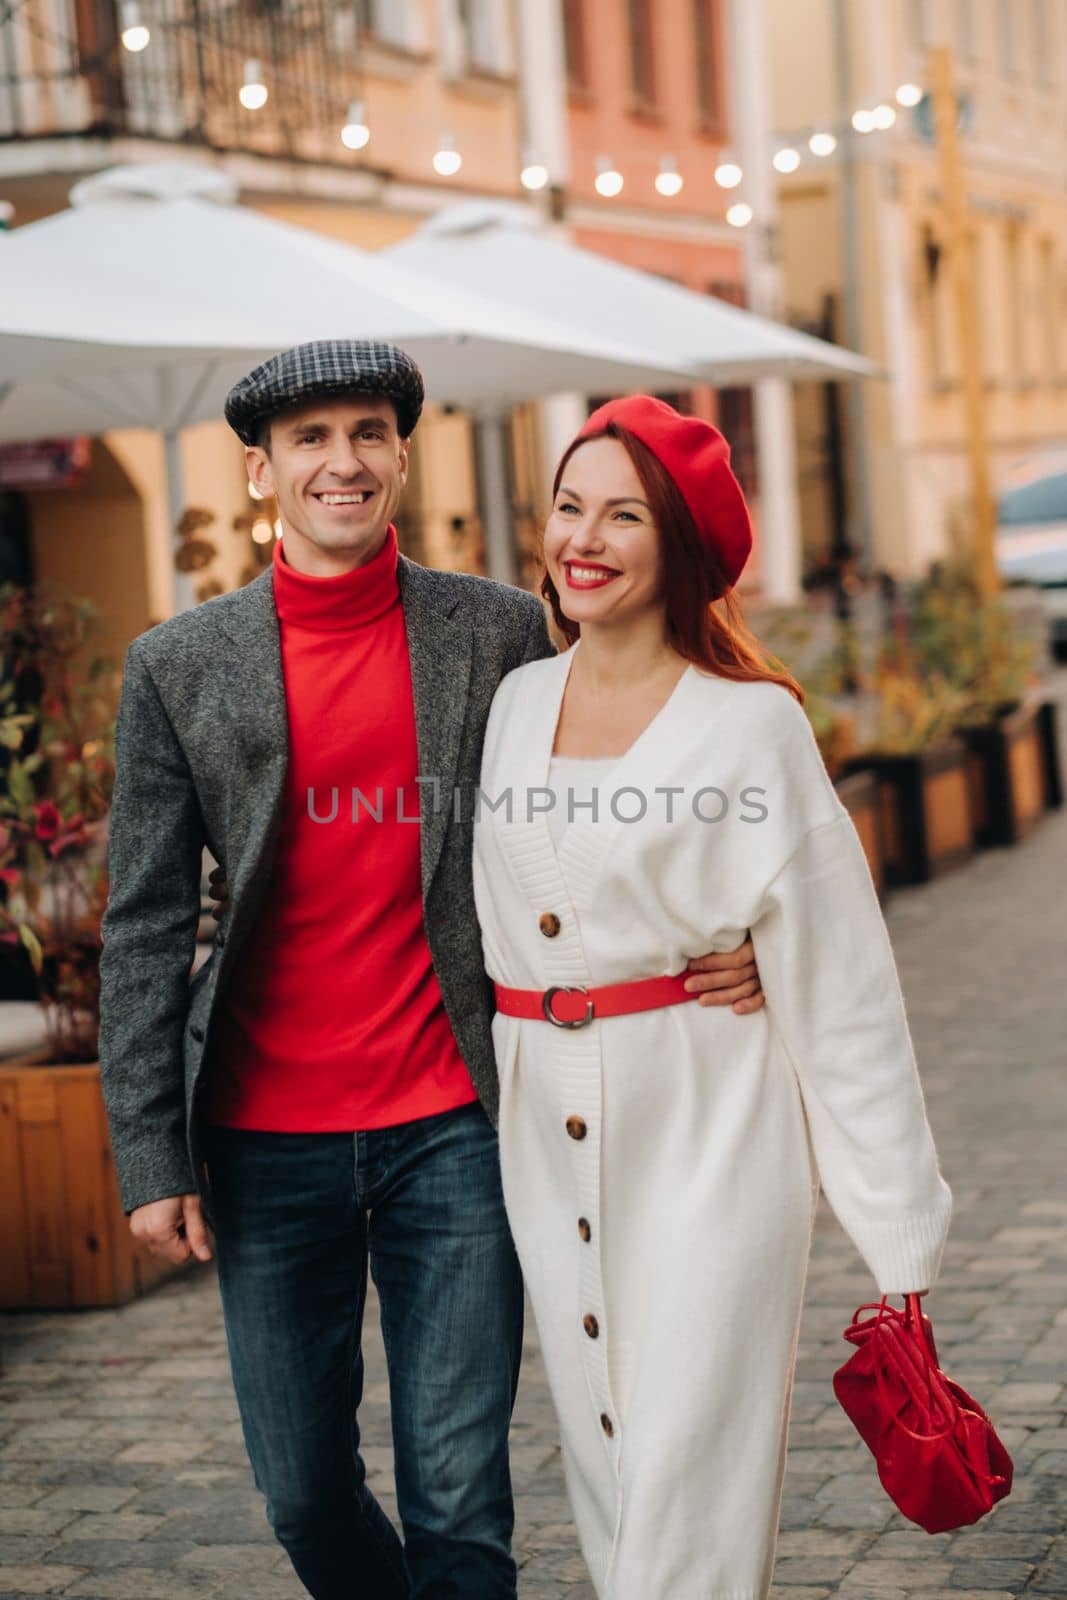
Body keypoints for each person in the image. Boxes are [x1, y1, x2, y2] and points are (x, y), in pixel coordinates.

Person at [96, 342, 768, 1600]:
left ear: (403, 456)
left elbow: (633, 770)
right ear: (262, 469)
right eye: (309, 439)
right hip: (259, 1135)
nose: (340, 460)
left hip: (456, 1123)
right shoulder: (179, 665)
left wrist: (736, 930)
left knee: (460, 1499)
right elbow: (140, 922)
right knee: (300, 1492)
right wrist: (148, 1152)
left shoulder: (502, 628)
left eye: (366, 432)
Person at [471, 395, 953, 1600]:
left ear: (678, 544)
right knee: (605, 1455)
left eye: (622, 514)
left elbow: (842, 989)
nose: (582, 537)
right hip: (542, 1130)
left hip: (708, 1123)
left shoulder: (750, 728)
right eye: (569, 506)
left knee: (688, 1468)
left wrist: (897, 1236)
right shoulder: (515, 703)